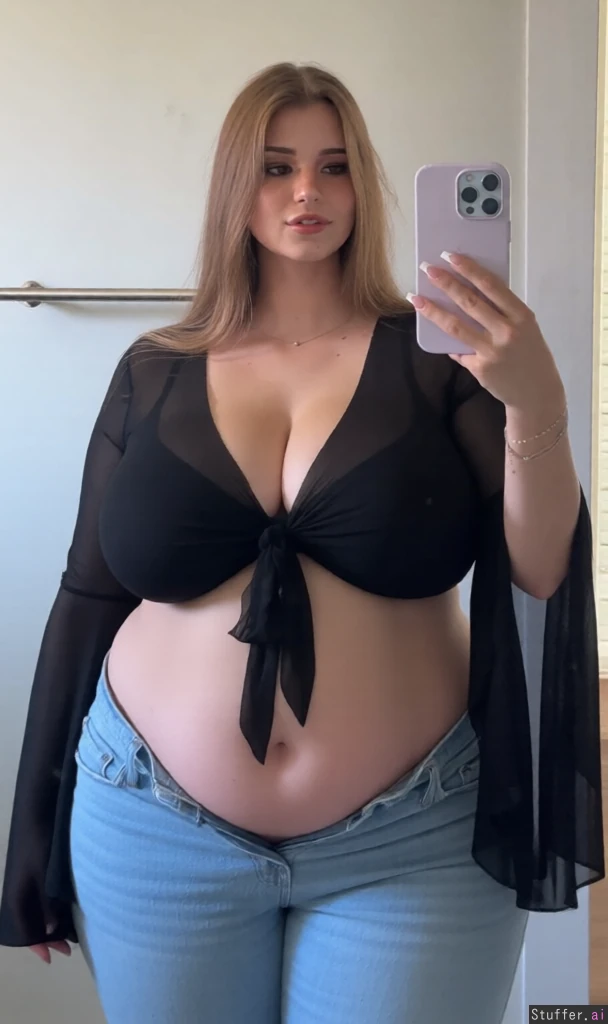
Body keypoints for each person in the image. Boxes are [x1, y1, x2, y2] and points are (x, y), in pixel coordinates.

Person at [0, 61, 603, 1024]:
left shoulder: (443, 364)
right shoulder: (152, 372)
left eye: (334, 165)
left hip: (413, 841)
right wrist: (32, 829)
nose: (306, 192)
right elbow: (89, 596)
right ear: (235, 187)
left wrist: (537, 403)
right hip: (150, 828)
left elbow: (538, 572)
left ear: (365, 185)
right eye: (276, 167)